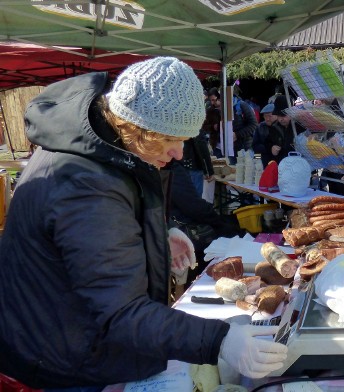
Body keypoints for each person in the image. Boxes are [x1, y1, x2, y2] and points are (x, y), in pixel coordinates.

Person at [0, 57, 287, 390]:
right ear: (138, 128)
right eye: (171, 139)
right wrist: (219, 341)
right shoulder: (85, 183)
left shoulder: (95, 153)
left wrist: (158, 236)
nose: (180, 153)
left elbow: (87, 244)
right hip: (59, 357)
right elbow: (120, 312)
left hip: (62, 337)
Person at [253, 101, 293, 166]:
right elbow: (255, 146)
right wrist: (269, 149)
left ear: (276, 115)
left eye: (270, 116)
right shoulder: (260, 127)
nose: (267, 119)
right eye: (265, 116)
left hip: (280, 161)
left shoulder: (283, 126)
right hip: (264, 158)